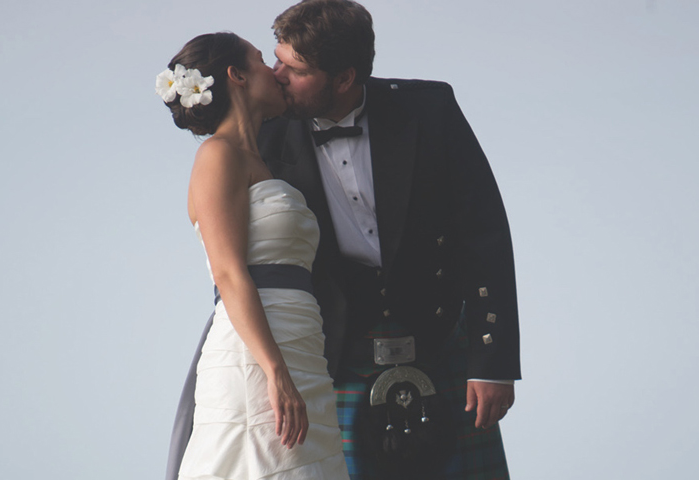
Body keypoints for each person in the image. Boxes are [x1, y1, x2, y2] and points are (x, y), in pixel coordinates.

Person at [167, 1, 522, 478]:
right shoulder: (260, 139)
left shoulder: (426, 109)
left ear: (343, 78)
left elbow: (484, 234)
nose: (276, 75)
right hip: (334, 351)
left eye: (294, 69)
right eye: (274, 60)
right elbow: (230, 267)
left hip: (439, 338)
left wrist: (491, 361)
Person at [157, 32, 349, 480]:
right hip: (257, 359)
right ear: (237, 76)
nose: (276, 71)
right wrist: (275, 371)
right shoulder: (216, 155)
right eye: (263, 60)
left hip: (302, 349)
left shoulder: (259, 160)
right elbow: (227, 272)